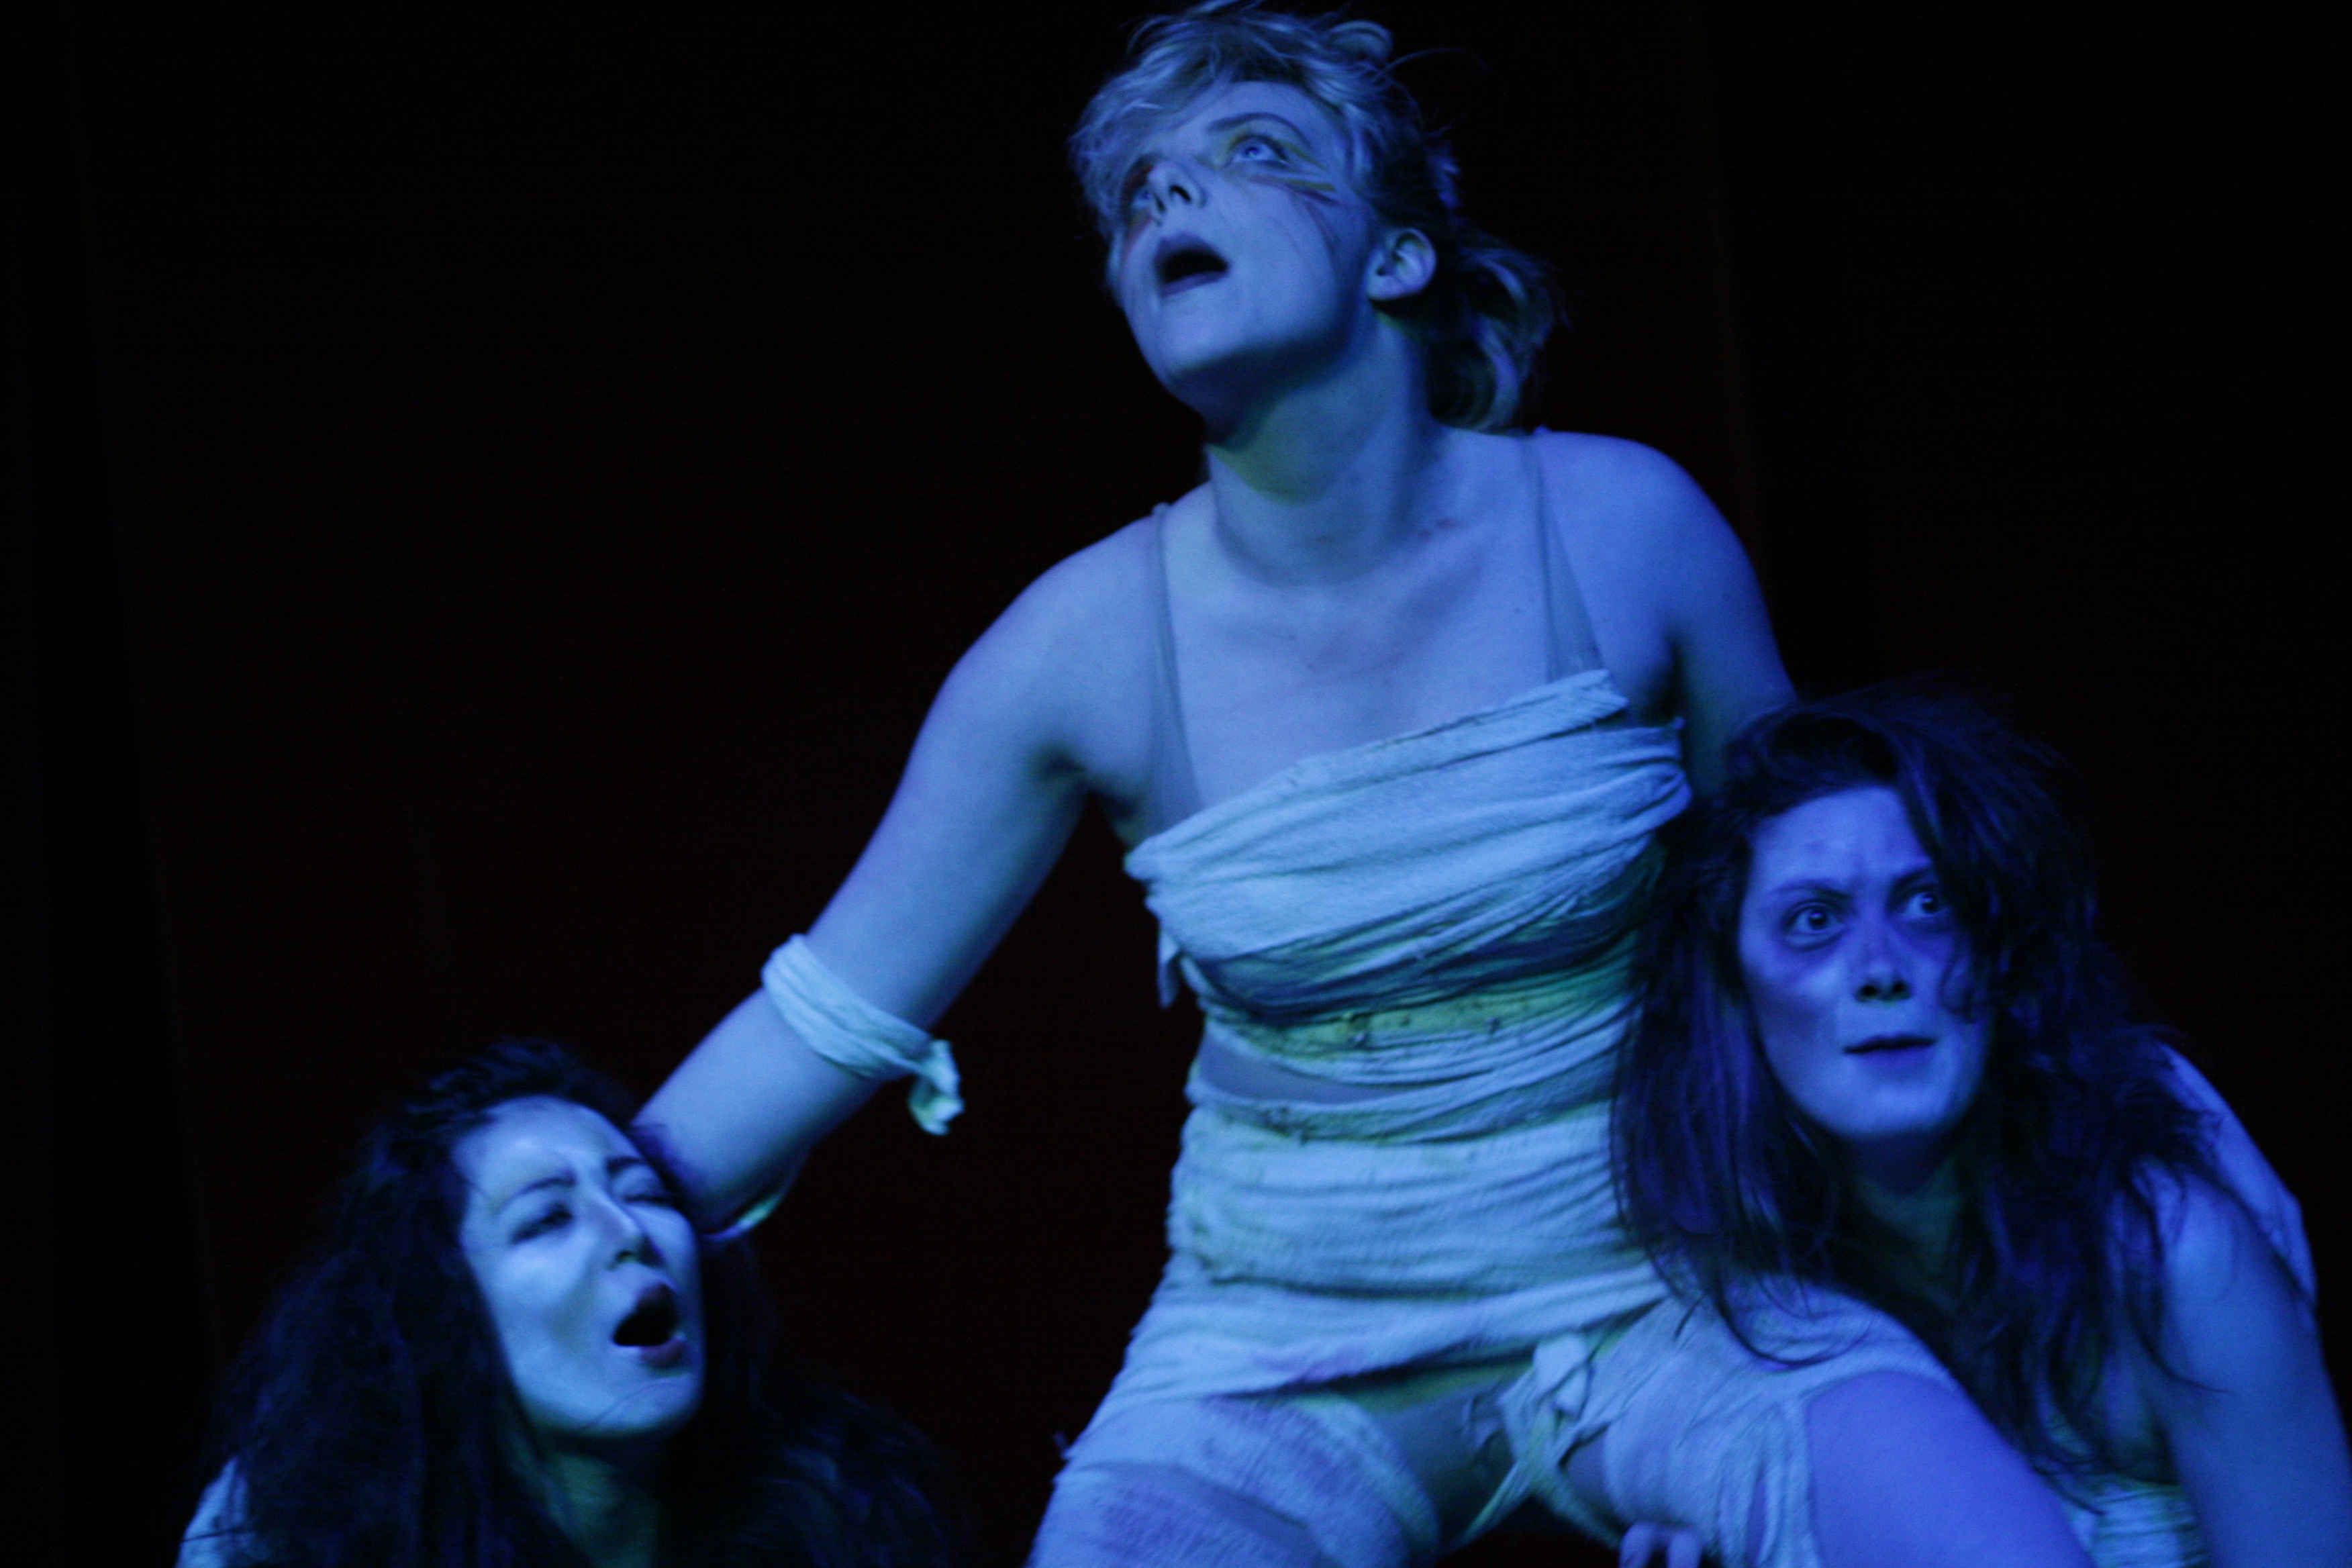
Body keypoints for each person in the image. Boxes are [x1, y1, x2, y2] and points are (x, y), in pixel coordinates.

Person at [635, 6, 2198, 1564]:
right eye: (1136, 194)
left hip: (1669, 1281)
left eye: (1253, 151)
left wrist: (2121, 1124)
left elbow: (1824, 908)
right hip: (1275, 1340)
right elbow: (825, 1015)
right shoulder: (1079, 646)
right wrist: (573, 1203)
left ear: (1395, 255)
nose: (1168, 194)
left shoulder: (1621, 528)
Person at [1600, 688, 2351, 1567]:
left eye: (1928, 903)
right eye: (1815, 921)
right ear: (1735, 992)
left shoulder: (2172, 1262)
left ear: (2000, 956)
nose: (1881, 967)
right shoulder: (1741, 1300)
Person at [178, 1039, 958, 1567]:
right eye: (548, 1217)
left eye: (644, 1192)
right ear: (439, 1314)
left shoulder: (831, 1514)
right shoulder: (304, 1535)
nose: (630, 1232)